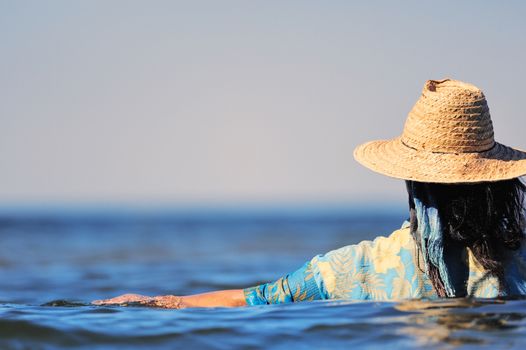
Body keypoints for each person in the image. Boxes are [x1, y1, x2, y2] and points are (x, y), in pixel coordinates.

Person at [93, 79, 526, 309]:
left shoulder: (354, 268)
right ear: (496, 180)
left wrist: (156, 302)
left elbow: (257, 299)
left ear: (412, 181)